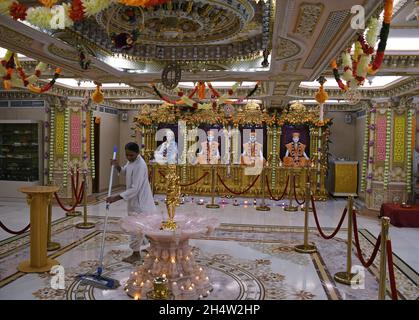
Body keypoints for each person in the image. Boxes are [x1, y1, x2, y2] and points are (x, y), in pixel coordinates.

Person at [106, 142, 157, 263]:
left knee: (136, 229)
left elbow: (135, 189)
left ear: (137, 153)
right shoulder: (132, 161)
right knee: (144, 227)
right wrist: (117, 166)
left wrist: (116, 197)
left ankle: (135, 254)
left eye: (131, 155)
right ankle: (154, 248)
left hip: (141, 203)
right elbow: (125, 171)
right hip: (135, 202)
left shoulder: (140, 165)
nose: (129, 157)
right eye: (127, 155)